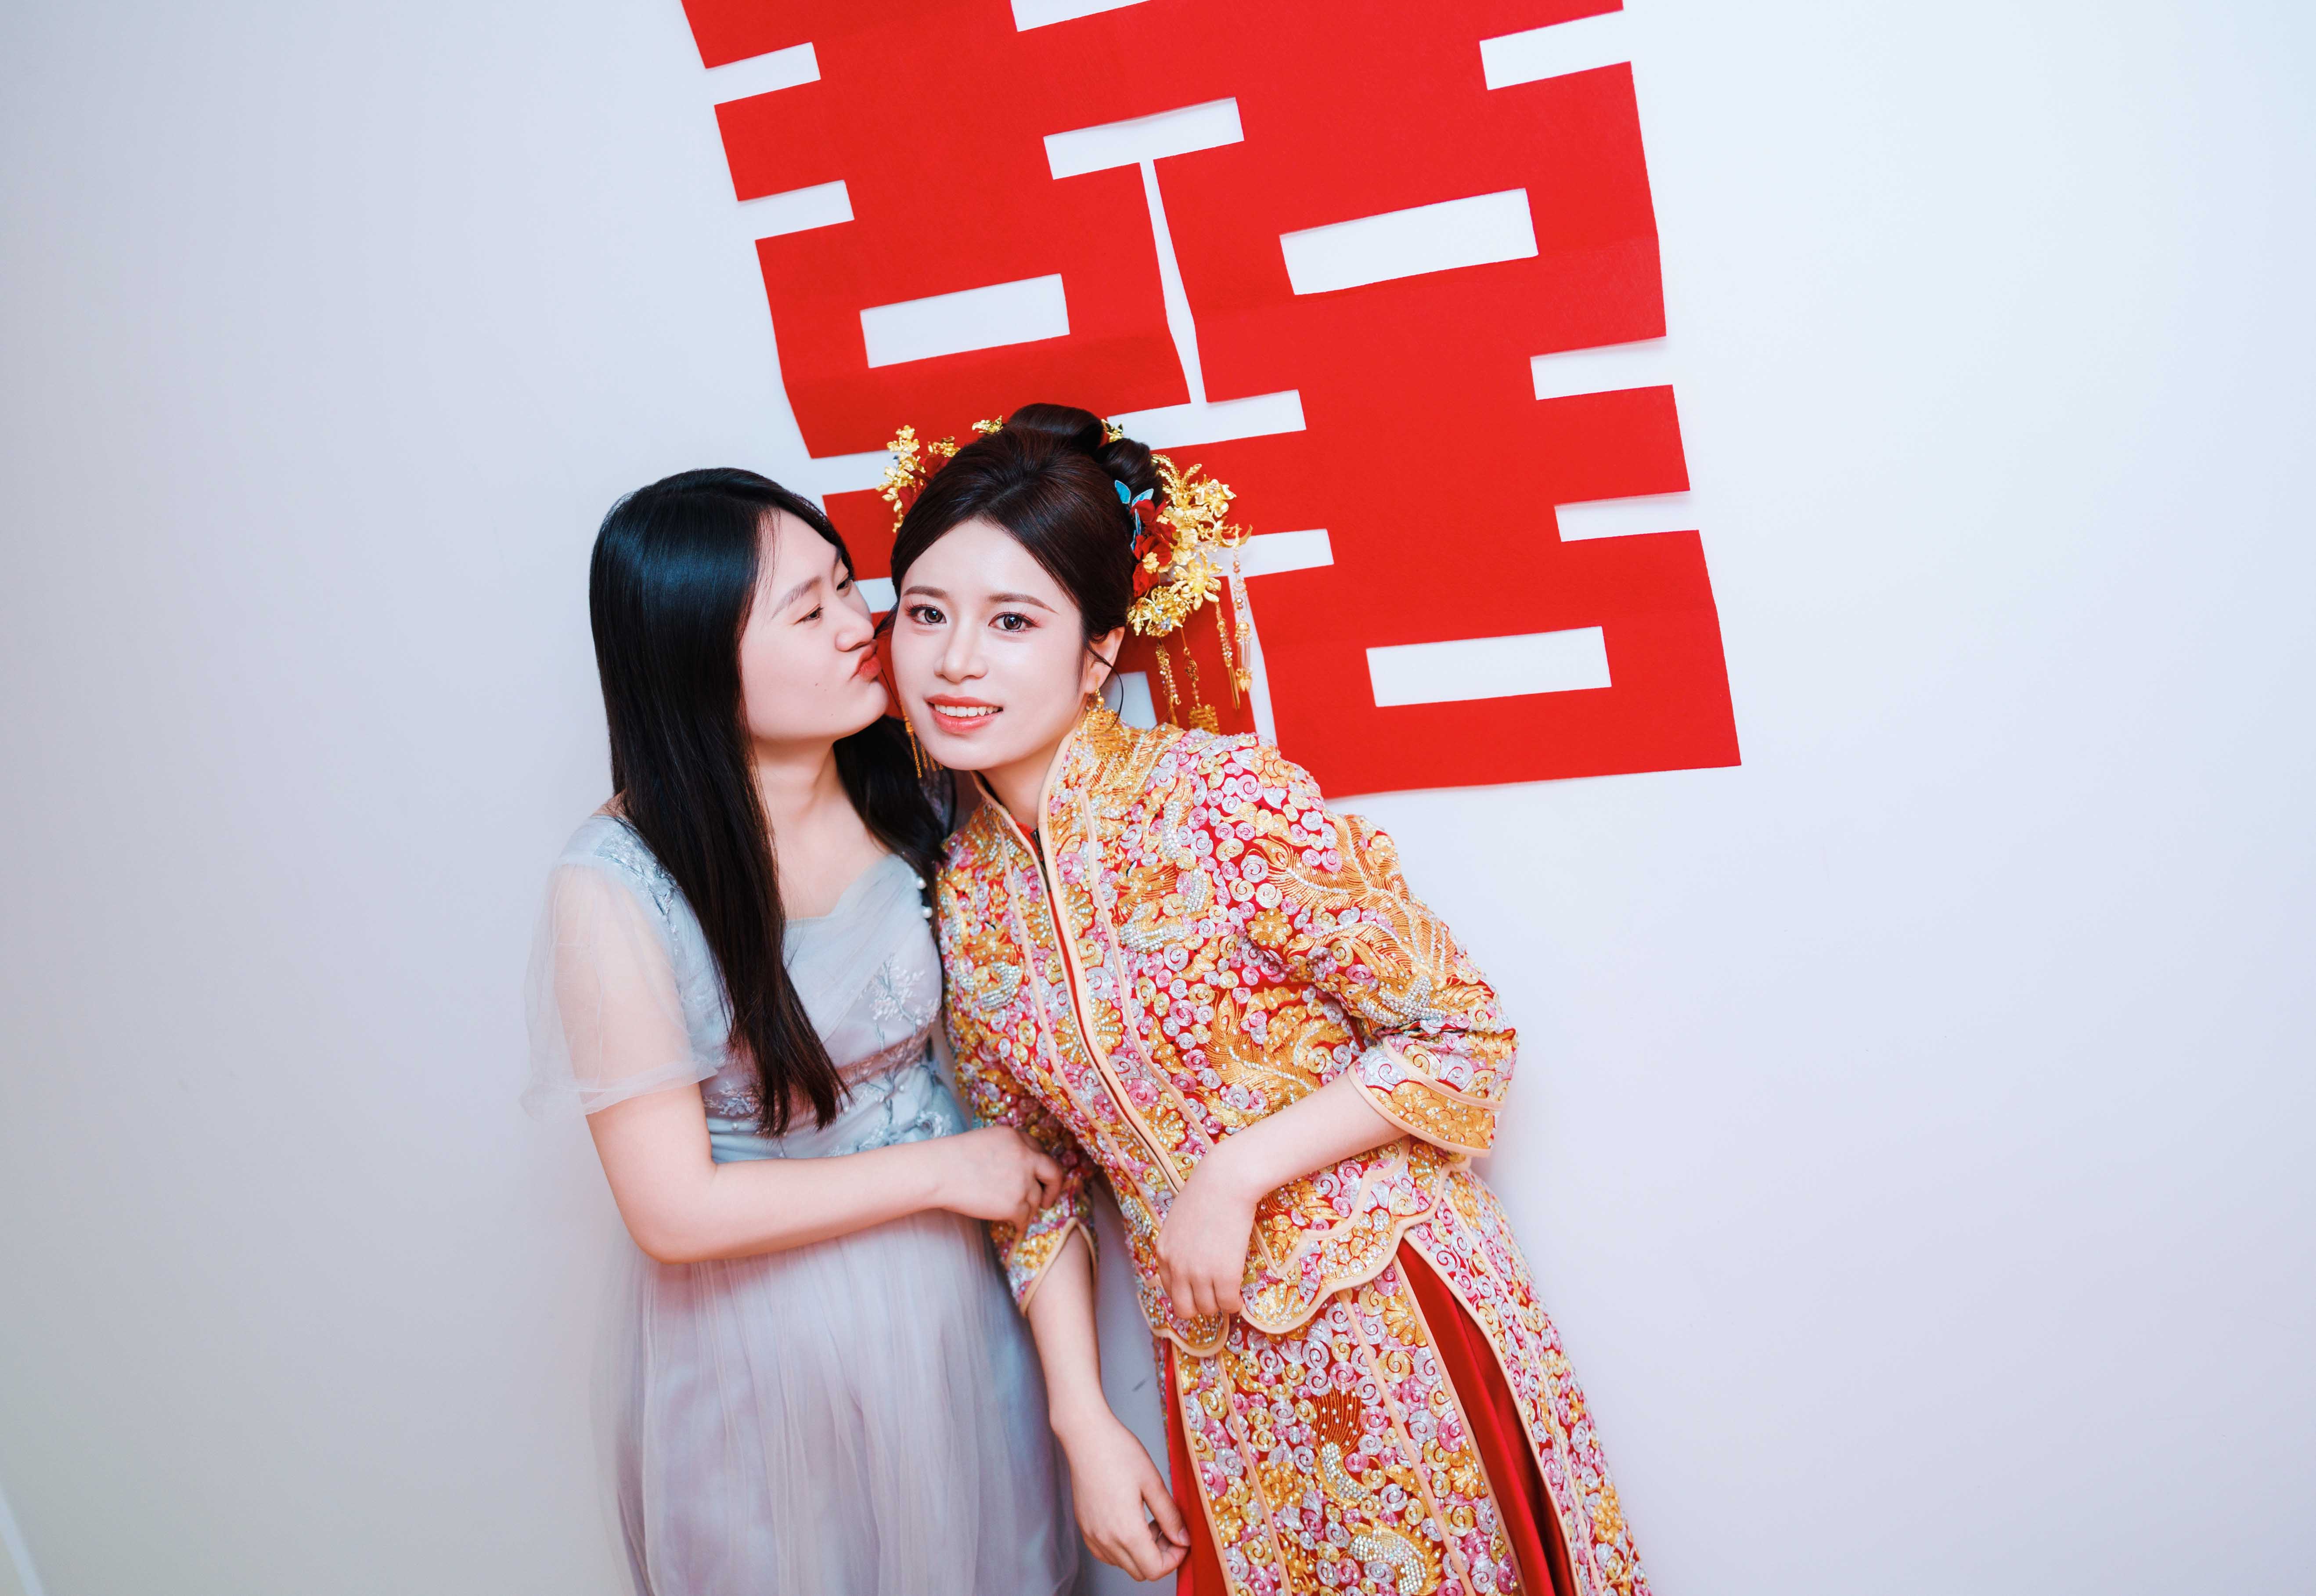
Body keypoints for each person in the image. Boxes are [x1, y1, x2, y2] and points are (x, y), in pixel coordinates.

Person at [884, 407, 1651, 1596]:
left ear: (1098, 653)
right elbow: (1035, 1188)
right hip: (1220, 1382)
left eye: (1012, 621)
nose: (954, 661)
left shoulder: (1218, 800)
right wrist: (1083, 1422)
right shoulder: (964, 897)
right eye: (925, 613)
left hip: (1392, 1320)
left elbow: (1462, 1034)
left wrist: (1233, 1173)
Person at [522, 468, 1078, 1596]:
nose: (857, 627)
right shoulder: (616, 882)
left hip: (945, 1309)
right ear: (698, 659)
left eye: (845, 585)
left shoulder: (921, 788)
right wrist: (947, 1169)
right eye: (806, 610)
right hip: (758, 1347)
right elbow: (673, 1212)